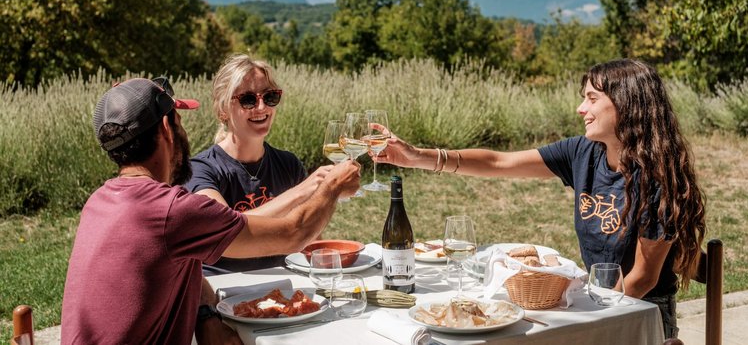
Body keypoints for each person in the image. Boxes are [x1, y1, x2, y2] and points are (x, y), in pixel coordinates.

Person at [373, 58, 705, 339]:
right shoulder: (582, 153)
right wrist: (417, 157)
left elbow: (642, 280)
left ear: (626, 103)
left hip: (641, 315)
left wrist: (588, 322)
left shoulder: (659, 180)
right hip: (596, 302)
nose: (581, 108)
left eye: (591, 98)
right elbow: (499, 162)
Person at [61, 77, 360, 344]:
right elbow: (295, 234)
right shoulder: (172, 211)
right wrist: (331, 186)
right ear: (168, 128)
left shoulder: (98, 201)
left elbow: (185, 264)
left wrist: (205, 315)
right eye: (180, 121)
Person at [186, 55, 328, 274]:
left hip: (283, 291)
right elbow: (224, 231)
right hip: (222, 293)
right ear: (223, 109)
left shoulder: (288, 164)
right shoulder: (200, 169)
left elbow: (311, 244)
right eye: (248, 100)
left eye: (270, 97)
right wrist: (300, 193)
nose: (261, 107)